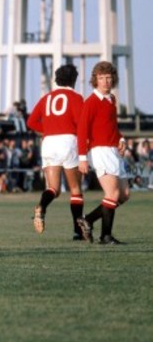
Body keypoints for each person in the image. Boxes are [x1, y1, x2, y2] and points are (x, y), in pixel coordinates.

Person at [26, 64, 87, 240]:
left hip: (49, 143)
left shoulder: (47, 98)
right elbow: (80, 124)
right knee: (75, 188)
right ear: (74, 80)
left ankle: (41, 206)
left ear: (56, 79)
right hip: (68, 141)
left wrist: (47, 130)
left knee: (53, 188)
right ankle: (77, 231)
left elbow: (31, 122)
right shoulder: (76, 97)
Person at [76, 61, 130, 245]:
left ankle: (88, 220)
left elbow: (112, 127)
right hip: (100, 151)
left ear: (113, 78)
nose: (105, 81)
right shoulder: (90, 102)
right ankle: (105, 236)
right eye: (101, 78)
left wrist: (121, 139)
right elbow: (82, 130)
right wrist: (82, 157)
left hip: (113, 150)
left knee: (124, 195)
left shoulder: (111, 99)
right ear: (95, 80)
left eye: (108, 77)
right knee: (112, 194)